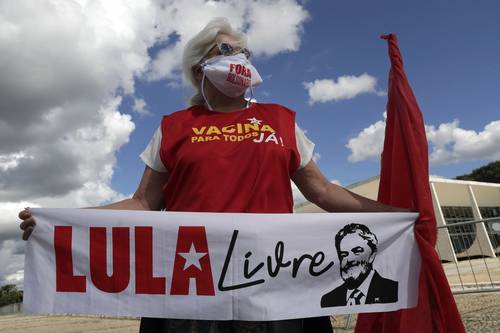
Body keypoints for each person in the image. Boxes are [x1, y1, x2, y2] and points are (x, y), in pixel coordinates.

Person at [19, 17, 407, 333]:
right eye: (226, 50)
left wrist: (397, 215)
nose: (238, 57)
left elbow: (321, 190)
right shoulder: (174, 126)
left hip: (276, 285)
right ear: (198, 67)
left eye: (243, 52)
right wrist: (60, 223)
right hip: (192, 293)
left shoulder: (281, 120)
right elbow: (143, 203)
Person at [321, 223, 398, 307]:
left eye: (357, 251)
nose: (349, 259)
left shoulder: (393, 291)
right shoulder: (328, 299)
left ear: (372, 255)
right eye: (343, 255)